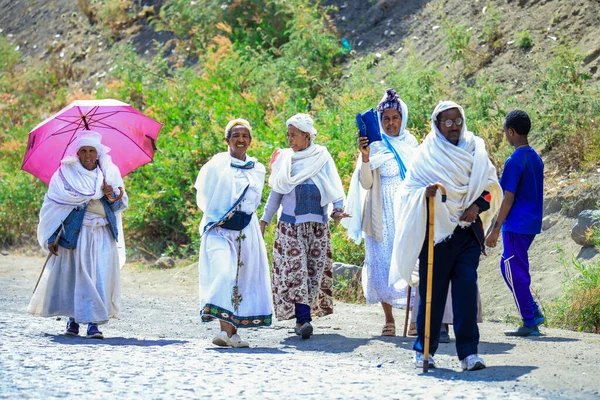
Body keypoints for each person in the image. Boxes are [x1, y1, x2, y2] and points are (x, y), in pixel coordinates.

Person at [390, 101, 501, 371]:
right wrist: (423, 194)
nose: (453, 127)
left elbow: (490, 187)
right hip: (435, 236)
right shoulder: (425, 154)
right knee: (432, 294)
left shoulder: (475, 149)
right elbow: (407, 191)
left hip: (466, 235)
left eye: (457, 121)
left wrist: (477, 207)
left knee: (465, 291)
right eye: (447, 122)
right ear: (437, 124)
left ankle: (469, 354)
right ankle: (424, 351)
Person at [28, 131, 128, 339]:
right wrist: (51, 237)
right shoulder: (64, 174)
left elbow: (120, 204)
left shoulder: (109, 172)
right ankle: (73, 320)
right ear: (77, 153)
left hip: (102, 234)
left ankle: (93, 324)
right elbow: (53, 207)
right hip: (76, 235)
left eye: (92, 150)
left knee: (99, 277)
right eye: (83, 151)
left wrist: (111, 194)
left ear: (98, 153)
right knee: (76, 277)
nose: (88, 155)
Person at [260, 113, 348, 339]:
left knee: (313, 273)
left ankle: (303, 317)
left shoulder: (322, 156)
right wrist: (264, 221)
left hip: (318, 227)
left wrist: (338, 210)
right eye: (288, 135)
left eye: (294, 135)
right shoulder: (285, 160)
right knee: (296, 271)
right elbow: (276, 193)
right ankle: (303, 320)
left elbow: (334, 185)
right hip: (290, 227)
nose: (290, 139)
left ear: (306, 136)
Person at [343, 88, 418, 336]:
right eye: (385, 119)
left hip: (407, 210)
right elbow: (366, 183)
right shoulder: (375, 146)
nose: (391, 123)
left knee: (412, 260)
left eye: (395, 118)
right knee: (382, 263)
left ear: (403, 118)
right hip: (381, 212)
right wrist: (365, 157)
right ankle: (389, 319)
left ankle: (415, 317)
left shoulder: (411, 144)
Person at [195, 118, 273, 348]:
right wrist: (219, 215)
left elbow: (255, 199)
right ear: (227, 140)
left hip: (246, 231)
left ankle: (231, 333)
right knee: (224, 272)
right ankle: (225, 330)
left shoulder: (257, 168)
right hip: (219, 229)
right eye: (236, 136)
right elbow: (204, 196)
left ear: (250, 140)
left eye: (245, 136)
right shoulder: (216, 165)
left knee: (243, 278)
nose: (241, 140)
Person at [485, 110, 545, 337]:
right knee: (509, 266)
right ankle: (532, 312)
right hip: (530, 224)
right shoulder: (535, 158)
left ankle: (530, 320)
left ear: (511, 131)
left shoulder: (514, 161)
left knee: (514, 269)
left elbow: (507, 198)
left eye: (506, 133)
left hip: (516, 225)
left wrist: (495, 228)